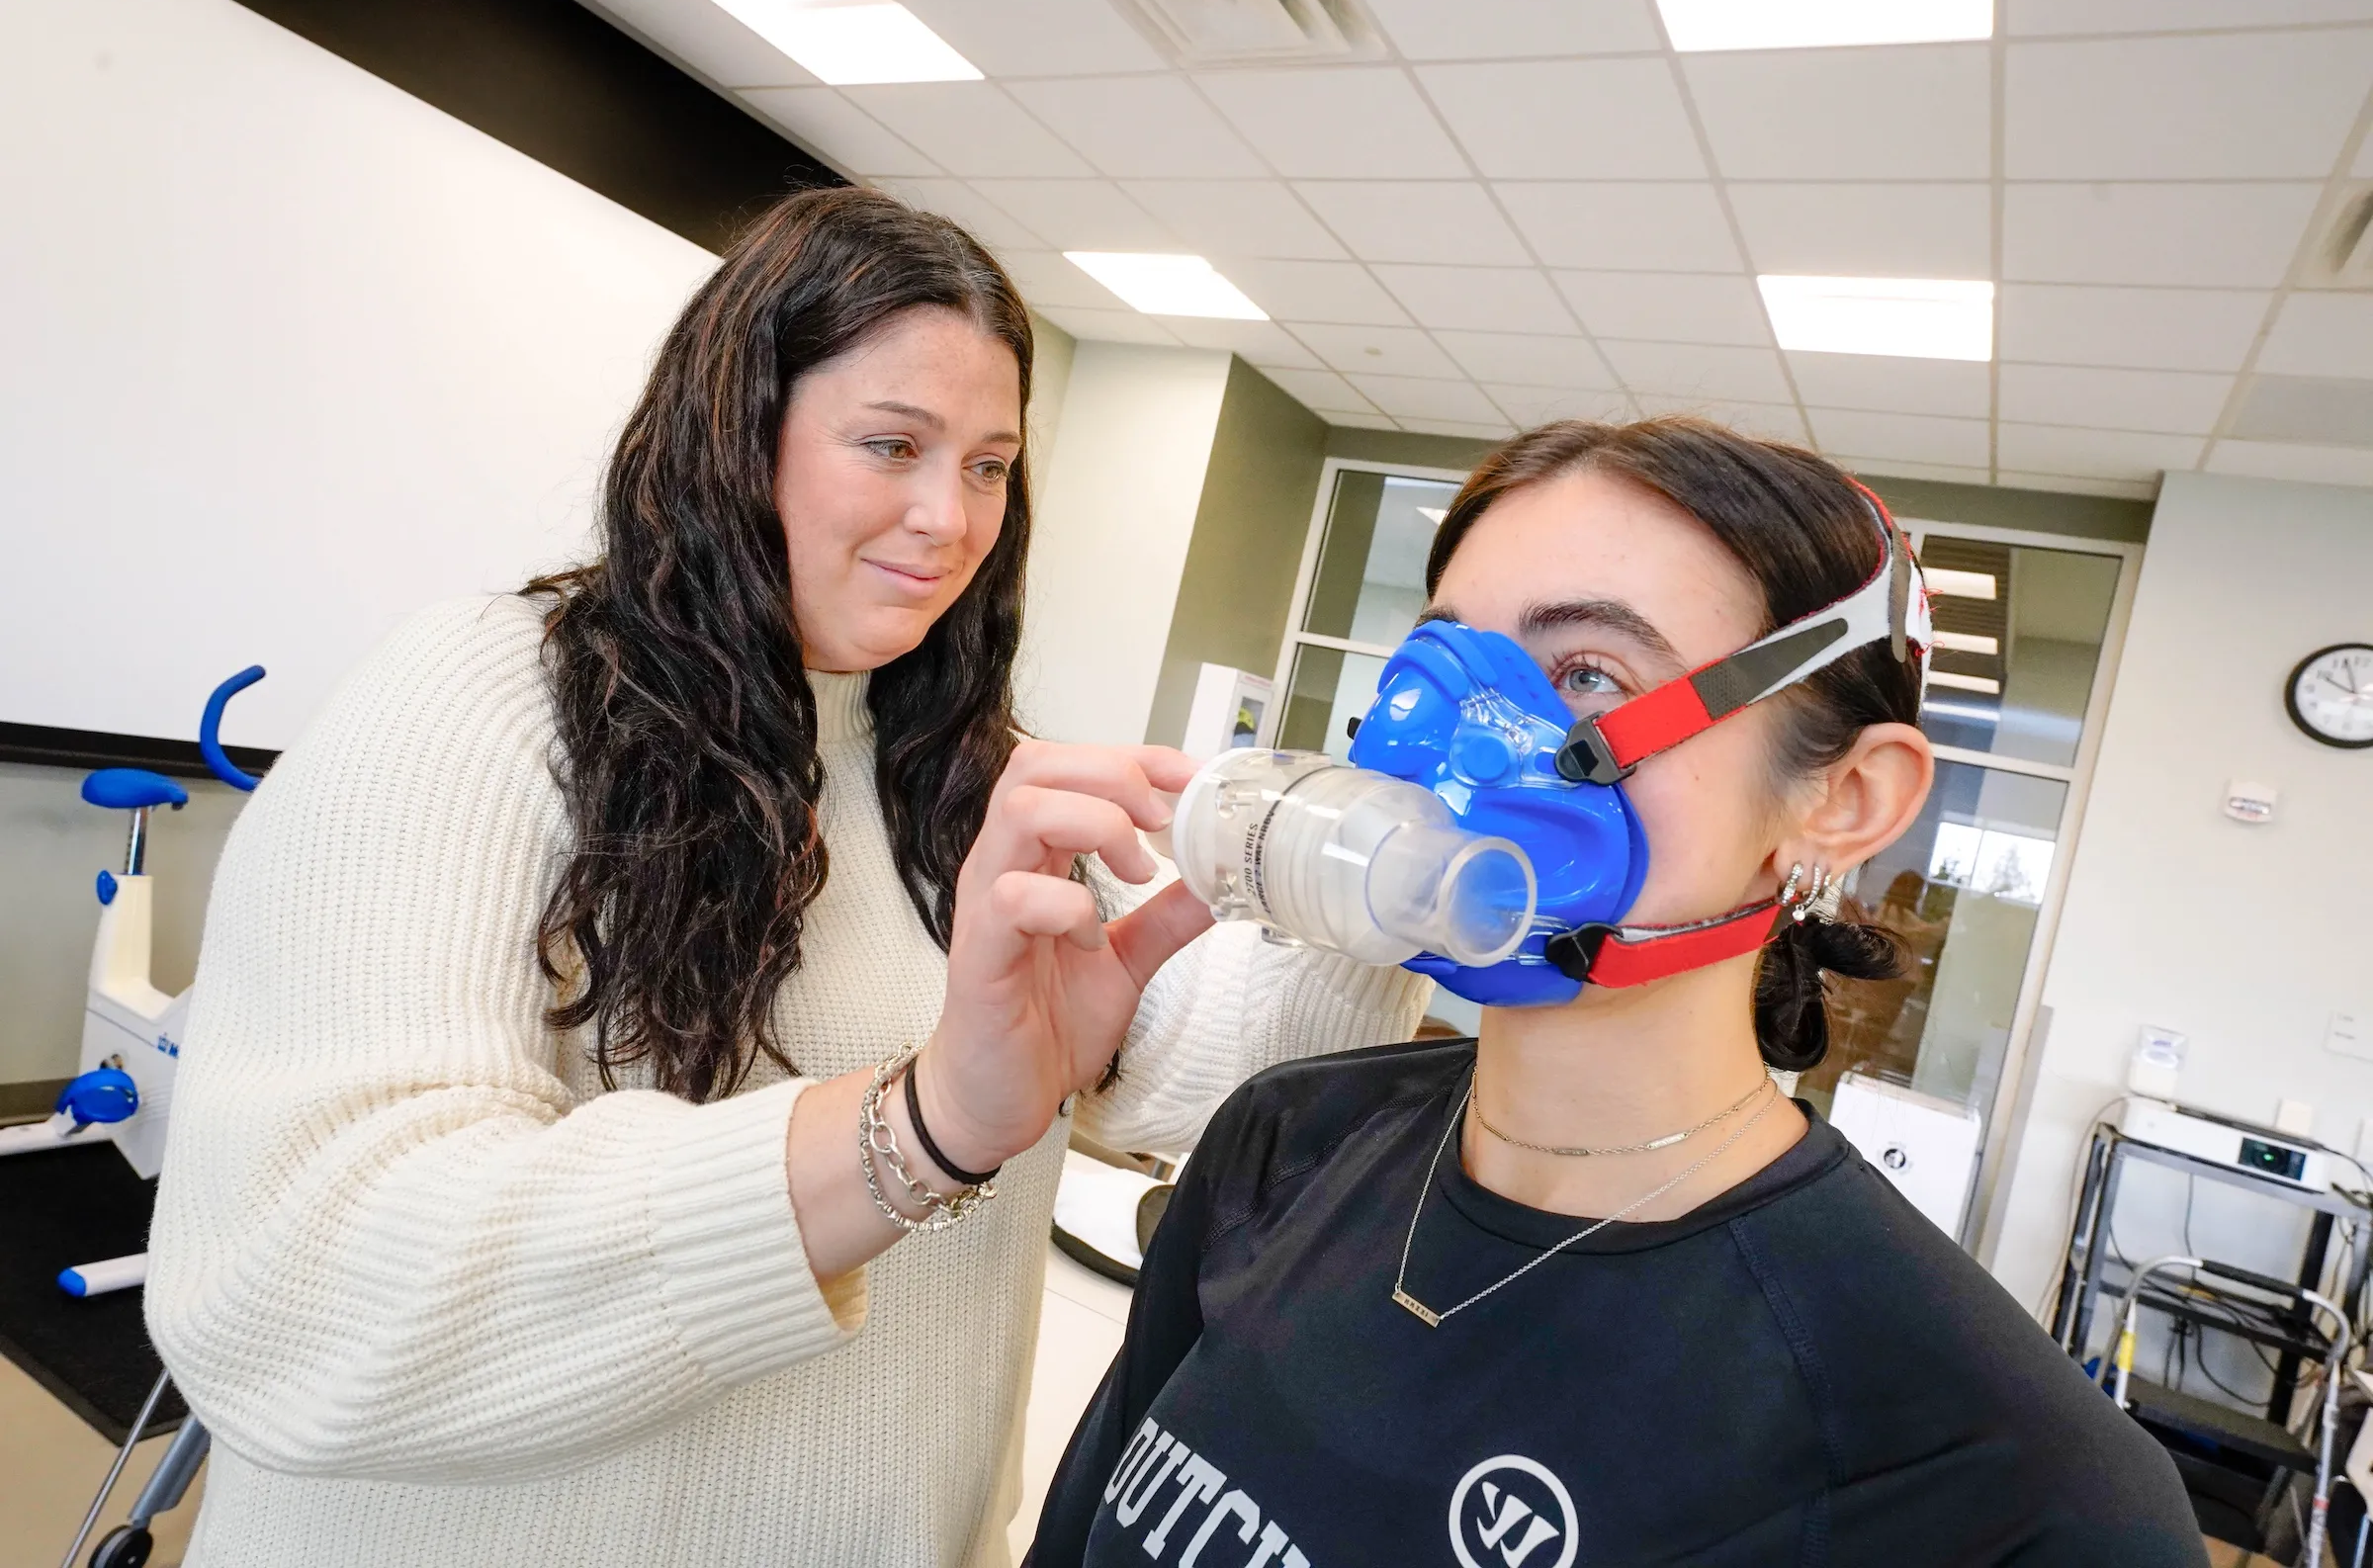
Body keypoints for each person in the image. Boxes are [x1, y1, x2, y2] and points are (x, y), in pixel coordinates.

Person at [144, 188, 1426, 1566]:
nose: (951, 518)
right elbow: (298, 1296)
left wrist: (1392, 879)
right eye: (891, 445)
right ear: (732, 431)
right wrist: (917, 1133)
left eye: (991, 466)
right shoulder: (487, 700)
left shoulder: (962, 770)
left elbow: (1202, 1073)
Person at [1028, 419, 2204, 1567]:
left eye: (1588, 671)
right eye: (1433, 662)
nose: (1433, 746)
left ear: (1842, 800)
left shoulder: (2016, 1490)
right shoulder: (1280, 1143)